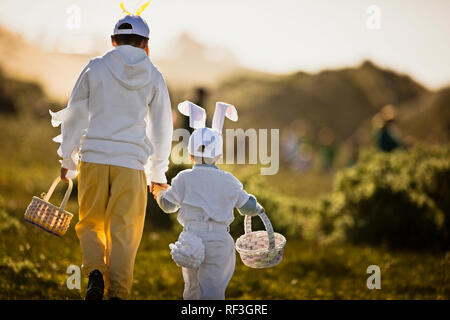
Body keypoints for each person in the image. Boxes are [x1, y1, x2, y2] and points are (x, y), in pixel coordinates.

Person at [50, 7, 173, 300]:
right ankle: (117, 292)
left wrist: (68, 158)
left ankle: (94, 272)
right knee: (125, 232)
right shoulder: (154, 75)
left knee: (91, 222)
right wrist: (158, 174)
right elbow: (161, 128)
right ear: (146, 45)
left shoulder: (96, 67)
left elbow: (75, 113)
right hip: (131, 165)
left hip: (93, 158)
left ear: (113, 40)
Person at [153, 101, 265, 300]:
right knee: (213, 288)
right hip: (218, 240)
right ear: (219, 155)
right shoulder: (228, 181)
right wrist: (257, 206)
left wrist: (160, 193)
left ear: (190, 153)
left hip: (191, 239)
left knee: (192, 288)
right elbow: (248, 206)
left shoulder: (183, 178)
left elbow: (168, 206)